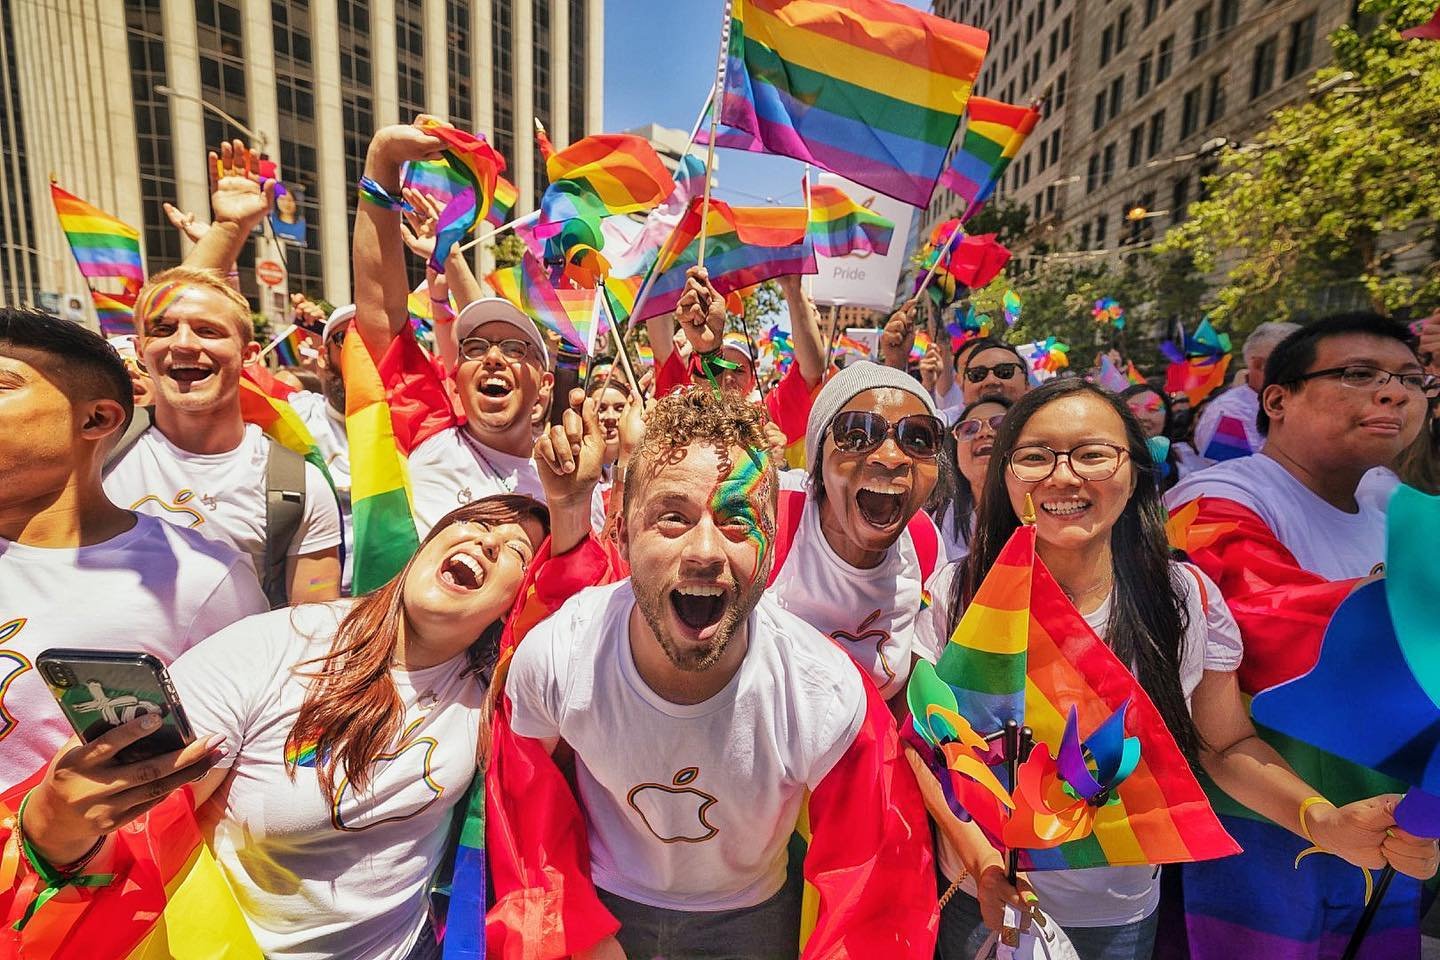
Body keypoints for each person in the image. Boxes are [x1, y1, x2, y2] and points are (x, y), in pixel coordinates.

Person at [916, 378, 1438, 960]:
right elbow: (930, 747)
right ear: (1005, 476)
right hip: (980, 902)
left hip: (1122, 911)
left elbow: (1223, 744)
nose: (1063, 477)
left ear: (1136, 470)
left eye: (1093, 454)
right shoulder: (954, 594)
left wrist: (1322, 821)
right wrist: (985, 865)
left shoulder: (1184, 598)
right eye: (1035, 457)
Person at [495, 385, 938, 959]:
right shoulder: (557, 656)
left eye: (736, 520)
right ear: (622, 534)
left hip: (753, 919)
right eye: (672, 518)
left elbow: (876, 895)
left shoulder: (828, 696)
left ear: (772, 542)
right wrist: (576, 927)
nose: (705, 550)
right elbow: (524, 804)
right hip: (600, 907)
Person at [1165, 313, 1440, 958]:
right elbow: (1257, 620)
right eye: (1357, 374)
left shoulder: (1393, 501)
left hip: (1391, 811)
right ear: (1278, 399)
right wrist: (1406, 604)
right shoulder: (1213, 498)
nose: (1394, 393)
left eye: (1410, 378)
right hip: (1261, 818)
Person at [0, 308, 267, 791]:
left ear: (96, 418)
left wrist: (56, 835)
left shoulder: (202, 581)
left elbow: (216, 789)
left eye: (2, 384)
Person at [349, 119, 553, 537]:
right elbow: (383, 315)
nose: (493, 358)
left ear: (543, 385)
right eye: (475, 348)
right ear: (455, 377)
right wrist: (381, 161)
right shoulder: (424, 432)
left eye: (515, 349)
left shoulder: (567, 485)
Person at [100, 265, 343, 608]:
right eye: (164, 329)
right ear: (141, 350)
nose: (183, 343)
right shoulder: (95, 453)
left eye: (208, 330)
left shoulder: (299, 485)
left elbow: (312, 627)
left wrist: (231, 230)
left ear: (249, 355)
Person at [764, 361, 948, 703]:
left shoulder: (923, 541)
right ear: (818, 458)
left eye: (919, 437)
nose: (892, 457)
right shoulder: (771, 521)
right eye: (857, 435)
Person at [650, 269, 826, 453]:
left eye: (738, 370)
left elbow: (812, 370)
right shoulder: (684, 409)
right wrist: (661, 272)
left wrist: (793, 289)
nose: (728, 378)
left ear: (753, 377)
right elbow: (663, 349)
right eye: (719, 366)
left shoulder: (768, 415)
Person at [286, 301, 356, 589]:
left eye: (371, 342)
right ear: (323, 358)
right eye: (346, 339)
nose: (359, 353)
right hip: (311, 599)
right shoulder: (296, 415)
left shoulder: (415, 425)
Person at [1191, 320, 1300, 461]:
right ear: (1258, 364)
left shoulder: (1299, 404)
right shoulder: (1229, 414)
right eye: (1293, 363)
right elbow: (1233, 473)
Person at [932, 397, 1010, 559]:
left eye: (999, 424)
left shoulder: (1046, 515)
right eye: (969, 429)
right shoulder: (934, 523)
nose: (984, 433)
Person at [1120, 383, 1181, 489]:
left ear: (1167, 418)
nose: (1142, 417)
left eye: (1153, 409)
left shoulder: (1184, 462)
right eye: (1132, 409)